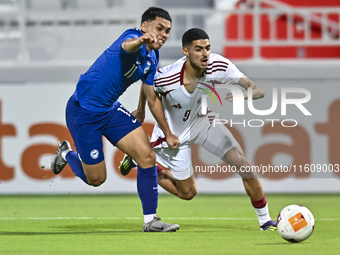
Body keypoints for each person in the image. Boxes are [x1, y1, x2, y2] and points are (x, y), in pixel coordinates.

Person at [119, 28, 277, 231]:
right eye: (198, 49)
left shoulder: (219, 64)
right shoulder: (168, 76)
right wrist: (142, 111)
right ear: (185, 51)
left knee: (243, 165)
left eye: (208, 48)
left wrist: (245, 94)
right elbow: (148, 86)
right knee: (187, 193)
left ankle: (265, 221)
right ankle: (140, 161)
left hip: (203, 122)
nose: (205, 54)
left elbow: (257, 89)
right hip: (175, 131)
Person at [50, 7, 180, 232]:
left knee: (147, 156)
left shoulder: (152, 56)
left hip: (110, 110)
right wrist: (140, 40)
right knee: (96, 179)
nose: (164, 34)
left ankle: (151, 221)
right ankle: (65, 153)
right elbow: (127, 46)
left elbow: (151, 95)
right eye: (159, 28)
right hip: (84, 111)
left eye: (167, 31)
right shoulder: (130, 37)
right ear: (144, 27)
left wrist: (167, 132)